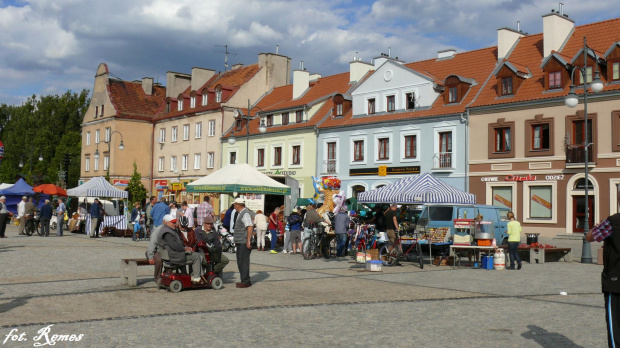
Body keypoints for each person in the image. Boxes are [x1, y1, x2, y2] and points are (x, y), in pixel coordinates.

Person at [586, 213, 620, 347]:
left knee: (615, 327)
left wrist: (596, 227)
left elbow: (590, 237)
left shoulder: (614, 221)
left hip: (616, 280)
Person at [156, 214, 204, 283]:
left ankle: (194, 275)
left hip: (172, 255)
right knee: (196, 256)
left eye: (175, 222)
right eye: (172, 222)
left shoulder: (166, 230)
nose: (174, 224)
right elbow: (175, 246)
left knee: (195, 254)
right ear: (167, 223)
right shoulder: (167, 233)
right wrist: (185, 249)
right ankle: (196, 277)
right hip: (174, 256)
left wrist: (185, 247)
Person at [232, 198, 253, 288]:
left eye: (234, 204)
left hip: (243, 241)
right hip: (240, 241)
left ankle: (245, 281)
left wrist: (248, 240)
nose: (234, 206)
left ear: (238, 205)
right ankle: (245, 280)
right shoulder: (241, 213)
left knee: (243, 262)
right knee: (241, 261)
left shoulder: (245, 213)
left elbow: (250, 226)